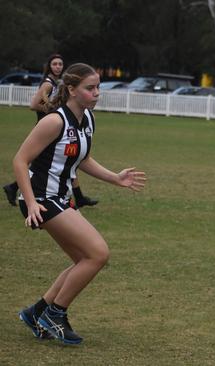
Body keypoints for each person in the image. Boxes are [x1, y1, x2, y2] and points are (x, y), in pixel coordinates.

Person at [14, 63, 146, 344]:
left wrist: (115, 178)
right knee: (97, 253)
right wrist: (30, 202)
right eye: (90, 88)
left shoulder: (87, 119)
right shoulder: (53, 121)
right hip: (41, 199)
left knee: (83, 259)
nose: (97, 93)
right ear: (71, 90)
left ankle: (36, 312)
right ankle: (54, 315)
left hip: (59, 198)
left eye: (98, 87)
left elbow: (81, 158)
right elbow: (20, 161)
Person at [3, 54, 99, 208]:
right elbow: (34, 104)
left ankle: (77, 197)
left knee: (66, 161)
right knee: (49, 164)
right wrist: (53, 109)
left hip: (61, 129)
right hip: (49, 130)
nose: (58, 67)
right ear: (49, 66)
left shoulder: (61, 87)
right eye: (54, 64)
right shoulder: (48, 85)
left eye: (60, 64)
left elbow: (84, 160)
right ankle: (21, 191)